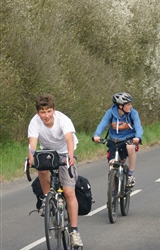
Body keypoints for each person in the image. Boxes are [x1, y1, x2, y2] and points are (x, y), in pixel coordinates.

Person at [26, 94, 83, 247]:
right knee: (41, 166)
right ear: (38, 113)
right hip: (48, 152)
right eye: (43, 112)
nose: (46, 115)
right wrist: (30, 159)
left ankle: (74, 232)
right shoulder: (35, 121)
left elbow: (69, 139)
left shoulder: (63, 120)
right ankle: (46, 199)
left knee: (69, 192)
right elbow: (32, 143)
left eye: (49, 111)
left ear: (54, 110)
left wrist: (70, 156)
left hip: (65, 152)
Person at [92, 92, 143, 187]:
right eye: (128, 104)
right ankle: (113, 194)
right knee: (112, 165)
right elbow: (102, 124)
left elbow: (138, 126)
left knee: (130, 148)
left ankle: (130, 175)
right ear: (120, 106)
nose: (130, 106)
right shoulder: (110, 113)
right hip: (114, 140)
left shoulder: (133, 113)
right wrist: (96, 135)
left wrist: (138, 137)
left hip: (129, 139)